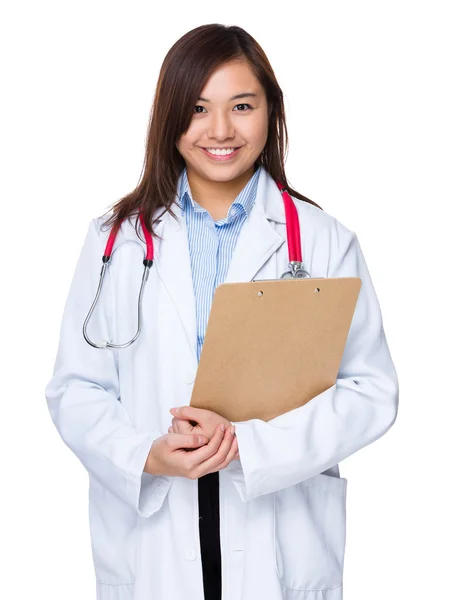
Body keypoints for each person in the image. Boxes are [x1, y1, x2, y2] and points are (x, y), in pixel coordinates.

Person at [44, 22, 399, 600]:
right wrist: (146, 457)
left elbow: (370, 390)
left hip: (279, 528)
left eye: (242, 106)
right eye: (198, 108)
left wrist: (253, 447)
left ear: (271, 112)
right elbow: (75, 389)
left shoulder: (324, 241)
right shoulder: (116, 240)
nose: (220, 130)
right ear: (169, 117)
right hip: (154, 531)